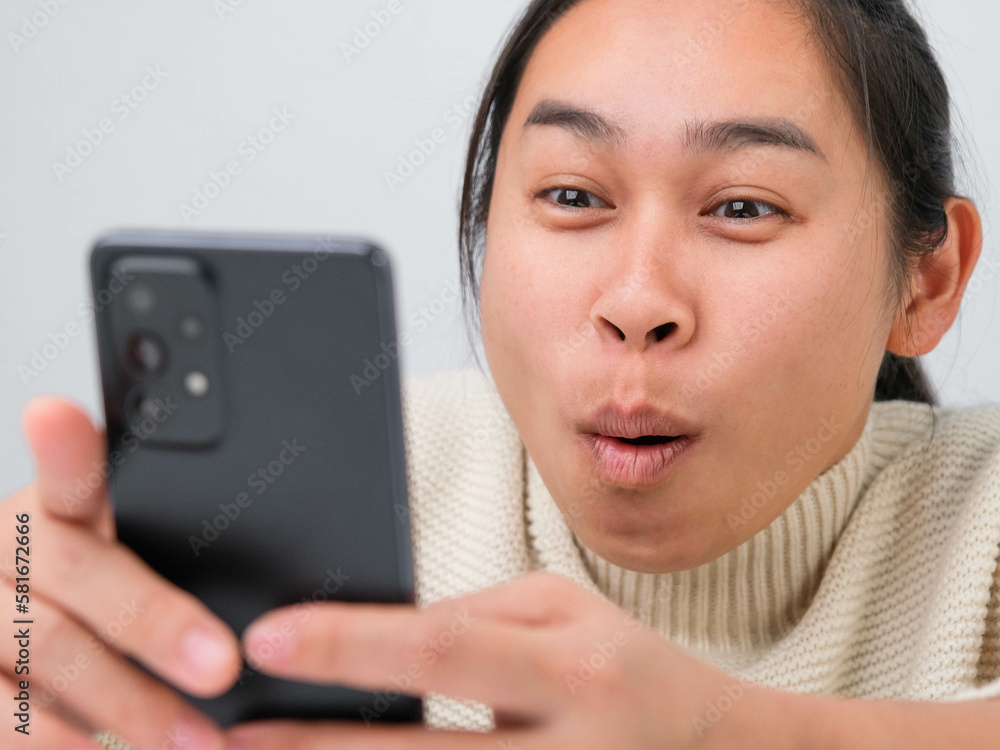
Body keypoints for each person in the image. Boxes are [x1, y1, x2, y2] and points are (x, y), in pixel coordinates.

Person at [6, 0, 1000, 747]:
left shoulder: (980, 522)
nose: (638, 300)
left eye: (743, 207)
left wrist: (727, 732)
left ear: (928, 278)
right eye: (571, 194)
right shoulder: (323, 490)